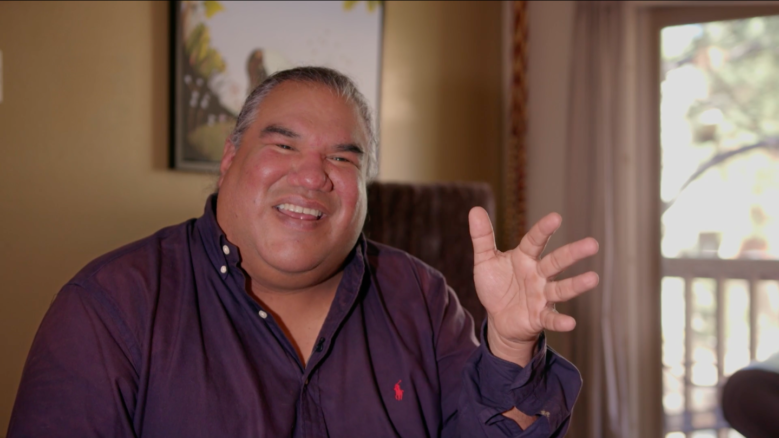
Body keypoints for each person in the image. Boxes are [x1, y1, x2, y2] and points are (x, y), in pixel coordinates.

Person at [8, 67, 599, 437]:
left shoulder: (418, 298)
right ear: (230, 157)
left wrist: (511, 346)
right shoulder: (109, 309)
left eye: (343, 158)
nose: (313, 176)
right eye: (284, 144)